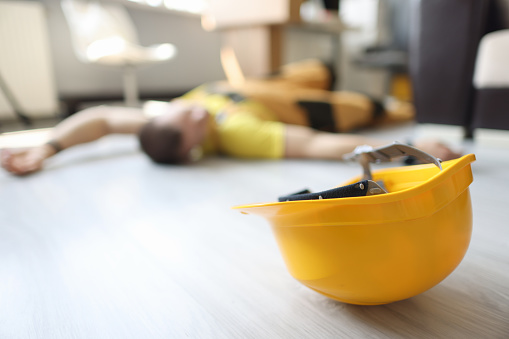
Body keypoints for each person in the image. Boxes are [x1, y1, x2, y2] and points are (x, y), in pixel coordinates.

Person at [1, 59, 460, 176]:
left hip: (266, 81)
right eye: (193, 123)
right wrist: (402, 154)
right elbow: (312, 145)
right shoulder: (239, 134)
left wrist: (47, 146)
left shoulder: (163, 119)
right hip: (301, 107)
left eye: (186, 111)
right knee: (374, 107)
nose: (197, 111)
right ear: (195, 148)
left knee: (319, 67)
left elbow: (99, 119)